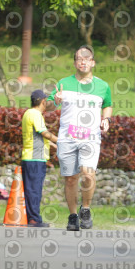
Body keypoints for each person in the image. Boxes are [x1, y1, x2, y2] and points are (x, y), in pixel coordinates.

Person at [46, 46, 112, 231]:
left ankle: (86, 209)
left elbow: (107, 105)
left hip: (91, 137)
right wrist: (55, 101)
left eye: (87, 59)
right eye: (79, 59)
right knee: (70, 179)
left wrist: (106, 119)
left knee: (88, 174)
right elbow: (49, 106)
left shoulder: (102, 86)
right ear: (75, 62)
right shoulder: (63, 83)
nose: (83, 62)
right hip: (67, 137)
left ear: (93, 62)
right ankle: (73, 215)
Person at [21, 89, 58, 227]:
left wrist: (54, 145)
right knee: (34, 189)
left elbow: (38, 136)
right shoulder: (35, 114)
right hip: (34, 158)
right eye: (46, 101)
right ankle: (34, 219)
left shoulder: (29, 113)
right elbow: (44, 133)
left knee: (33, 188)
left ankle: (34, 218)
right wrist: (59, 140)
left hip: (34, 157)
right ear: (43, 101)